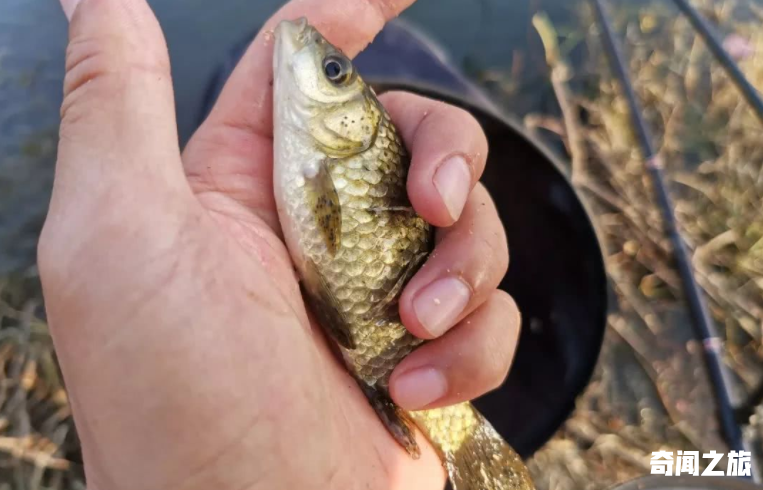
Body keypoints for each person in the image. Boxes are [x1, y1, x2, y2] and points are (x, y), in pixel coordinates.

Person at [39, 0, 522, 488]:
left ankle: (463, 443)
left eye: (333, 73)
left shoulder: (322, 148)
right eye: (336, 72)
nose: (318, 59)